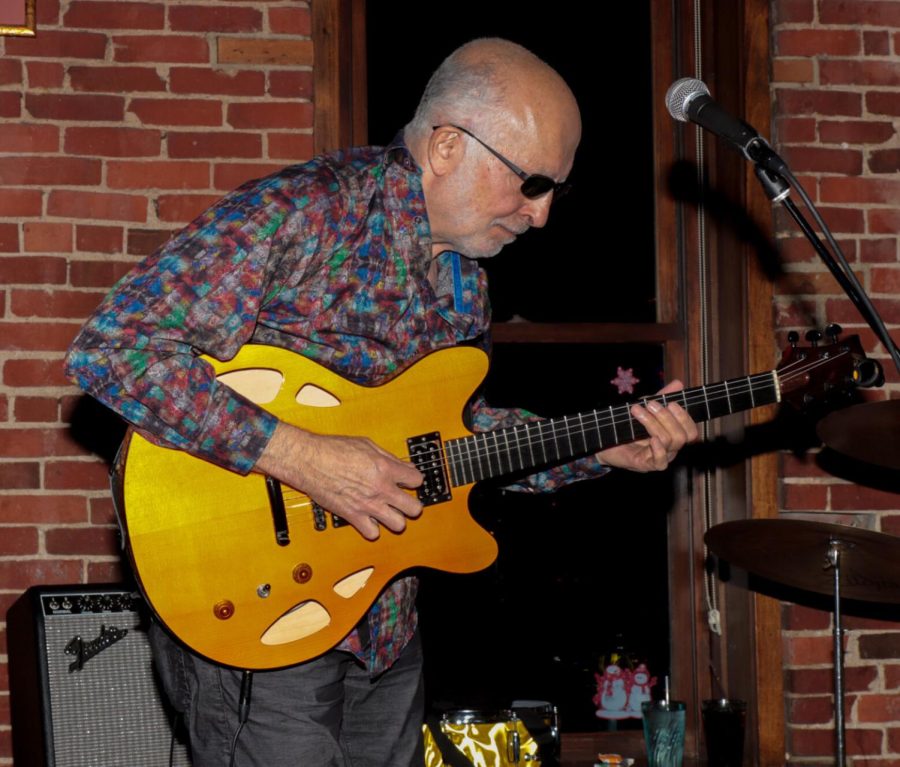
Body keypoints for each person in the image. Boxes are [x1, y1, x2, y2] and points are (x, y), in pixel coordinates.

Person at [65, 38, 698, 767]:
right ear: (447, 147)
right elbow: (113, 349)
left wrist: (599, 444)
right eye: (531, 183)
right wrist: (305, 457)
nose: (543, 213)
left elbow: (451, 442)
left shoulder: (465, 281)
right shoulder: (302, 212)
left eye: (556, 189)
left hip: (386, 620)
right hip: (260, 611)